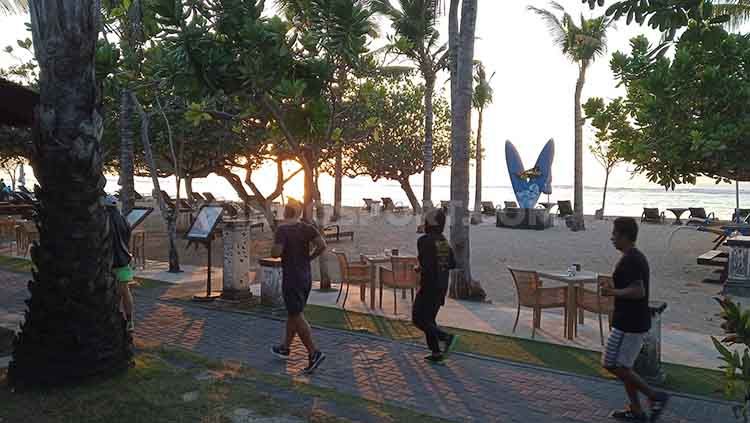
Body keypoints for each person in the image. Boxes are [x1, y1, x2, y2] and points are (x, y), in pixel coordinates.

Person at [601, 217, 669, 421]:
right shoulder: (631, 257)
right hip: (626, 321)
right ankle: (637, 410)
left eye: (615, 234)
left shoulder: (632, 259)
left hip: (633, 324)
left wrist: (614, 292)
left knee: (616, 365)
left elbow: (639, 291)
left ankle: (655, 396)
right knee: (621, 367)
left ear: (625, 236)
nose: (612, 238)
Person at [270, 202, 327, 374]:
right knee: (293, 313)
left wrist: (276, 242)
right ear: (299, 212)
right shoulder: (307, 228)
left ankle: (313, 352)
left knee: (296, 314)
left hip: (292, 278)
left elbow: (276, 253)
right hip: (305, 277)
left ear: (285, 212)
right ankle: (285, 347)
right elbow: (322, 245)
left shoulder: (283, 230)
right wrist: (309, 258)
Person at [413, 208, 458, 363]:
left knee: (418, 319)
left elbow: (425, 265)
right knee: (429, 320)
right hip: (441, 287)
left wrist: (418, 268)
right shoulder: (443, 241)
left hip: (429, 286)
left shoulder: (424, 240)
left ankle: (446, 337)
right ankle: (436, 353)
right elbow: (452, 264)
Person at [104, 195, 136, 332]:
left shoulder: (103, 220)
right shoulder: (123, 220)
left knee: (109, 291)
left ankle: (111, 319)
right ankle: (130, 321)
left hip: (108, 262)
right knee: (125, 292)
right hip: (123, 261)